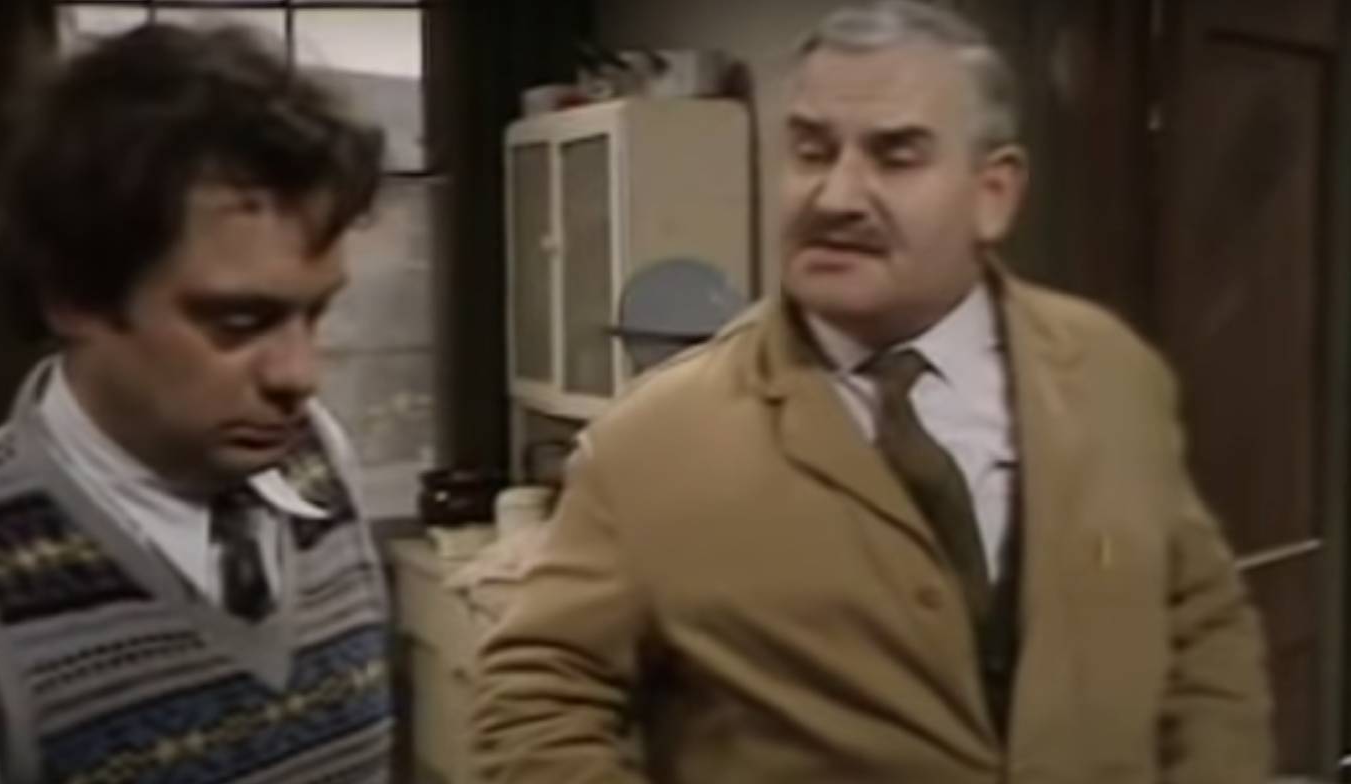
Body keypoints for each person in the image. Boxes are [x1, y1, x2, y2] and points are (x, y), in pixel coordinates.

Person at [470, 2, 1273, 782]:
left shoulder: (1110, 373)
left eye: (896, 156)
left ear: (992, 194)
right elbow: (535, 703)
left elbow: (1201, 626)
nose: (837, 196)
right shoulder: (652, 442)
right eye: (811, 151)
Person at [0, 24, 392, 784]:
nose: (300, 375)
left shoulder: (320, 462)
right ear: (74, 295)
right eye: (239, 322)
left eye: (317, 312)